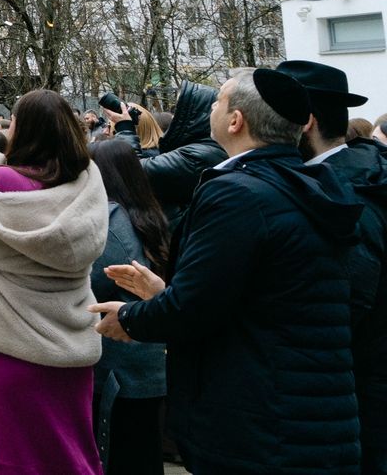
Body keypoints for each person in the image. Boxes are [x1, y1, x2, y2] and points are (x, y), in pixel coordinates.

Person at [92, 68, 363, 475]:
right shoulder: (308, 185)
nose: (212, 109)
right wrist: (164, 293)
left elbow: (196, 308)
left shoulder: (236, 193)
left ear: (236, 121)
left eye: (218, 101)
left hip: (255, 419)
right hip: (310, 410)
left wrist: (130, 318)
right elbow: (253, 294)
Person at [0, 89, 109, 474]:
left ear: (22, 129)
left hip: (13, 343)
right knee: (72, 449)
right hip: (73, 342)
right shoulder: (87, 182)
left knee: (18, 456)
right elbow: (32, 198)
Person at [286, 60, 387, 474]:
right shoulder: (366, 172)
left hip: (361, 386)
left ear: (305, 122)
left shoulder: (341, 194)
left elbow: (347, 304)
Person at [89, 141, 169, 475]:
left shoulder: (111, 222)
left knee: (121, 457)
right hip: (148, 362)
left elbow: (95, 276)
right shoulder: (148, 214)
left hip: (121, 367)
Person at [138, 80, 224, 227]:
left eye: (179, 108)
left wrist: (124, 129)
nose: (175, 114)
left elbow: (135, 171)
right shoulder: (201, 147)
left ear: (190, 114)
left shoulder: (198, 155)